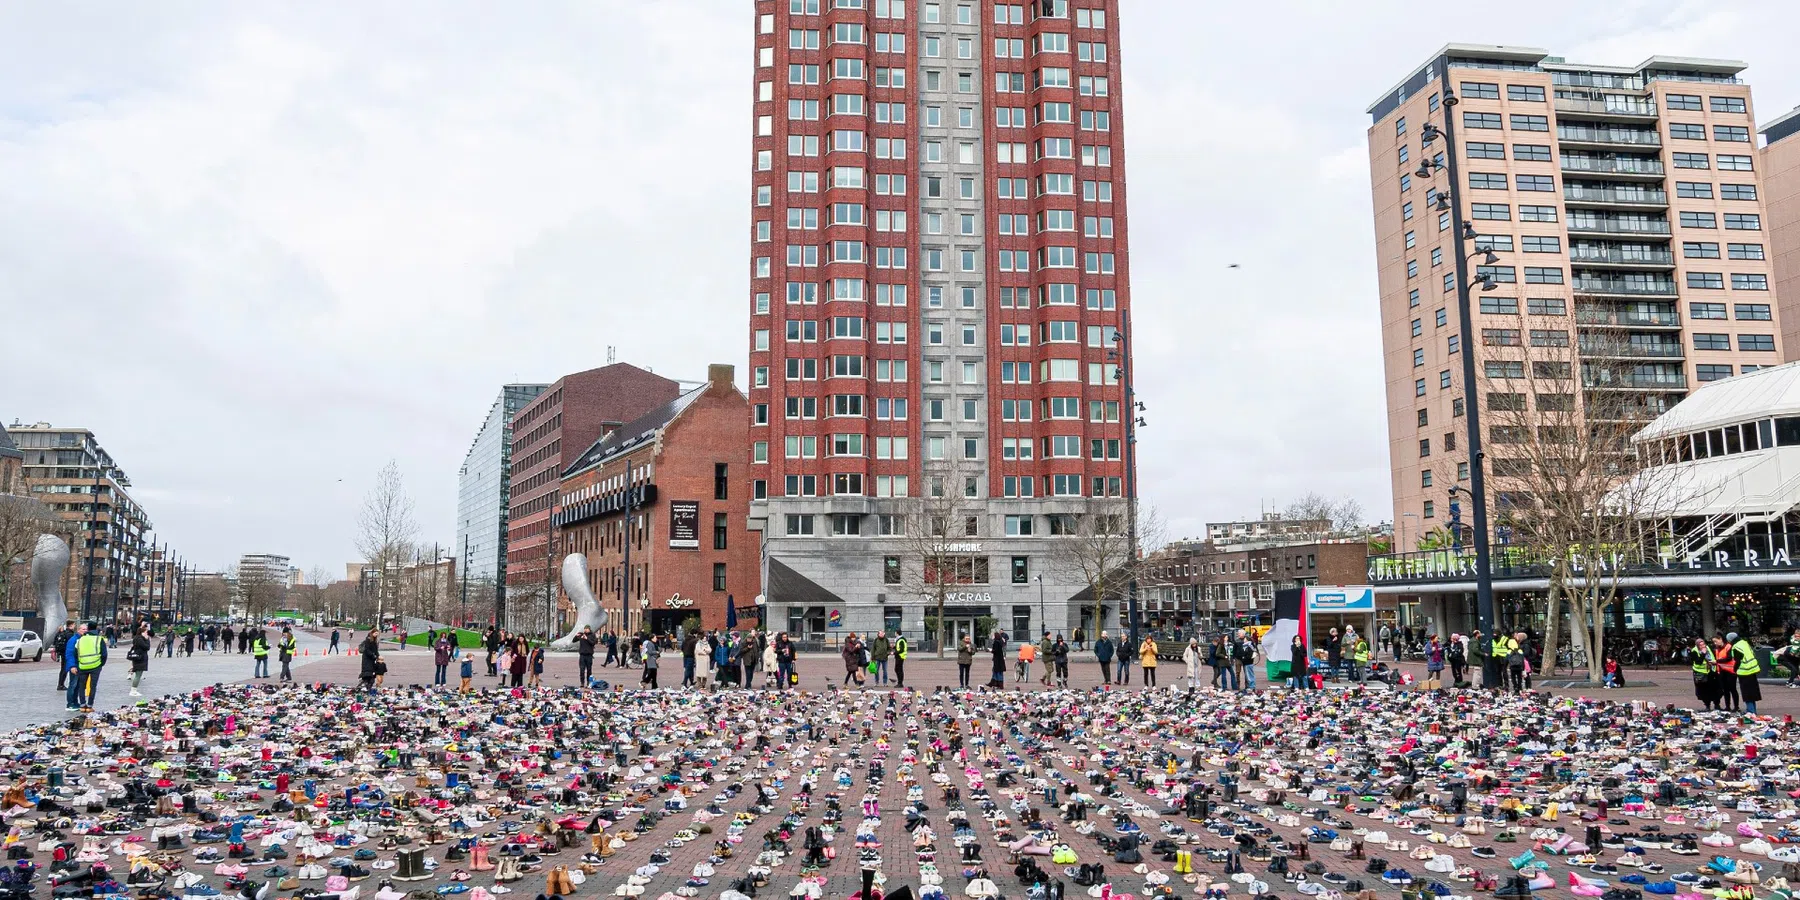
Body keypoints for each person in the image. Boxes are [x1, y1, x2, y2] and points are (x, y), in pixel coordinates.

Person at [1728, 632, 1762, 714]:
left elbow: (1737, 660)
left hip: (1744, 671)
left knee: (1747, 692)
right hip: (1753, 669)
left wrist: (1735, 670)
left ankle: (1750, 711)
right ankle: (1753, 710)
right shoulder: (1744, 643)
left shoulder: (1736, 647)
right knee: (1753, 692)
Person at [1689, 636, 1721, 710]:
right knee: (1704, 690)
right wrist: (1703, 654)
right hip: (1701, 673)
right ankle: (1707, 705)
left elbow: (1714, 656)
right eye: (1700, 645)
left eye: (1703, 644)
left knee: (1716, 688)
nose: (1703, 646)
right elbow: (1698, 662)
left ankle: (1717, 704)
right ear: (1697, 645)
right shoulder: (1694, 651)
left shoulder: (1709, 648)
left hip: (1712, 671)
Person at [127, 622, 150, 698]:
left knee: (138, 674)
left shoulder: (136, 638)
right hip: (140, 658)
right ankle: (133, 691)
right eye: (146, 632)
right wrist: (147, 640)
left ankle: (134, 690)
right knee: (138, 675)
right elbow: (147, 647)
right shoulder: (140, 639)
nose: (147, 633)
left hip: (138, 657)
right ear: (142, 632)